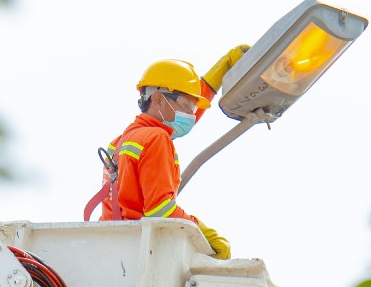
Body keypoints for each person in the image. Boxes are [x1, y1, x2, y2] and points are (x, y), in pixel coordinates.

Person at [83, 46, 250, 259]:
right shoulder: (156, 138)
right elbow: (160, 211)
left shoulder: (121, 141)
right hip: (137, 250)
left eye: (193, 108)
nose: (191, 114)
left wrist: (222, 69)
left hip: (112, 245)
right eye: (187, 106)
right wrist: (202, 234)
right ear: (158, 99)